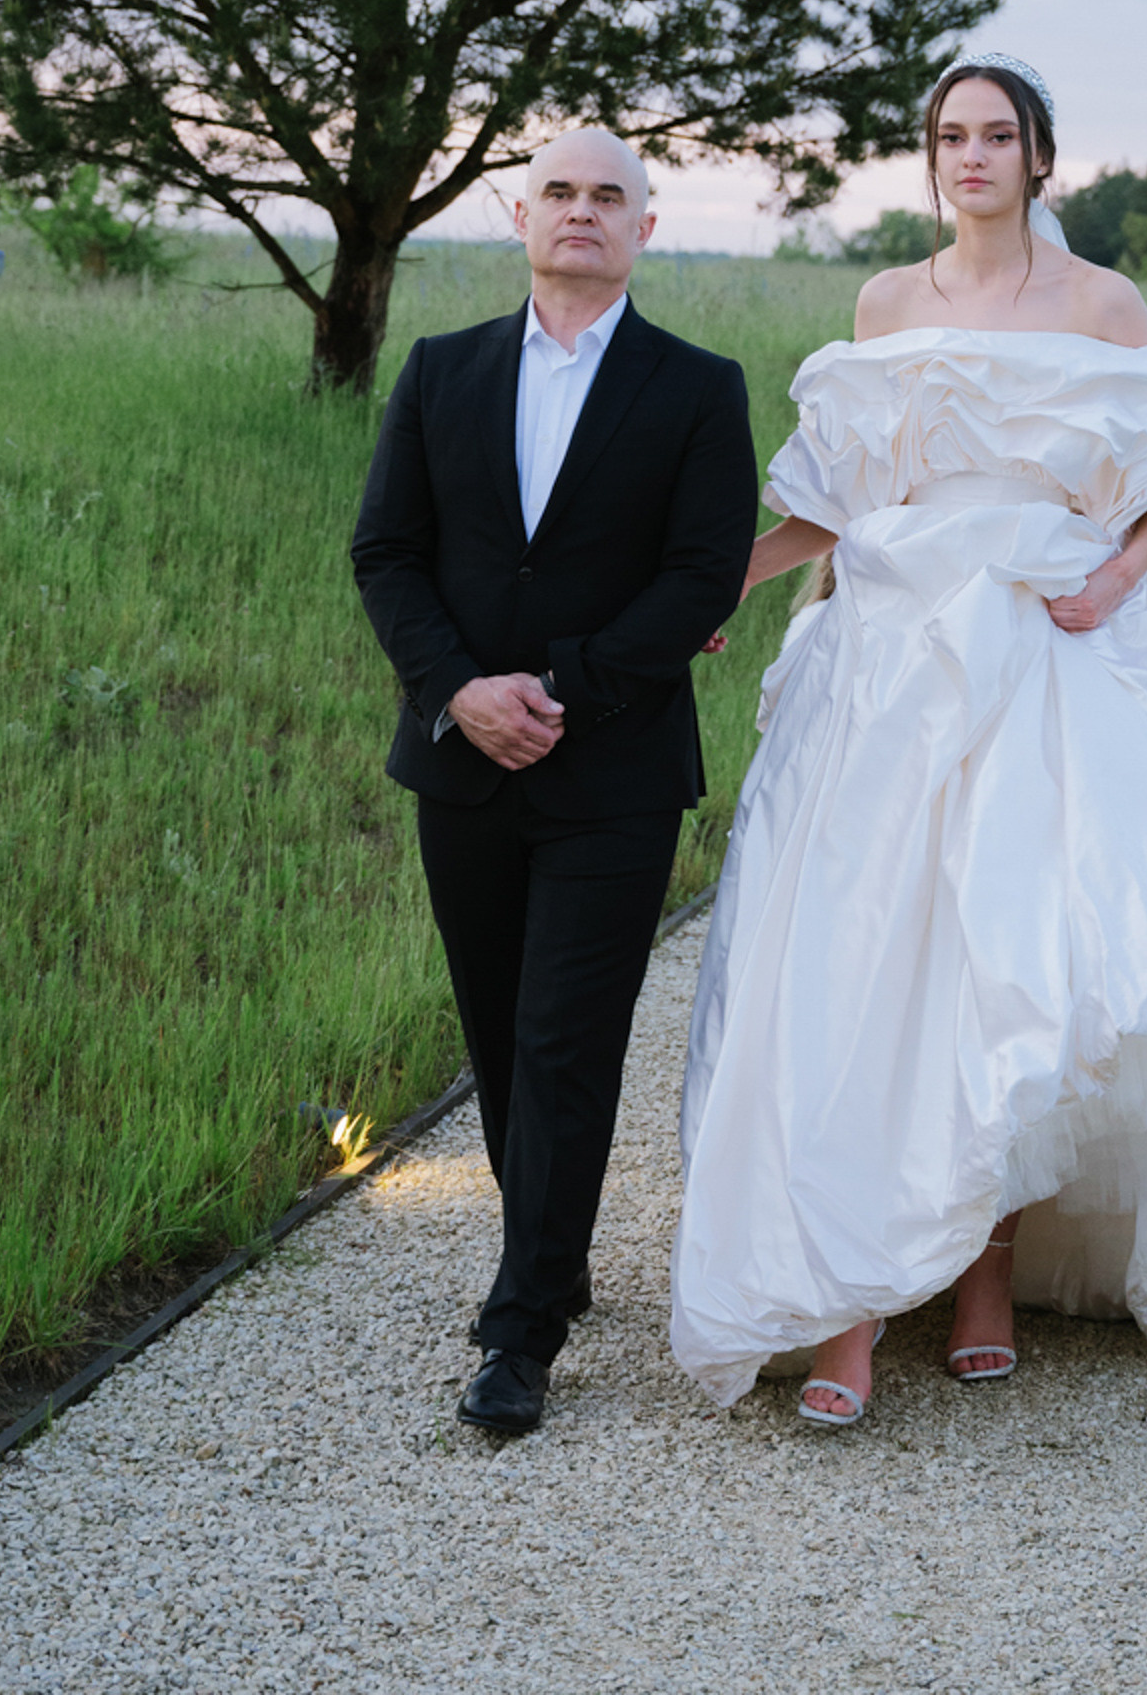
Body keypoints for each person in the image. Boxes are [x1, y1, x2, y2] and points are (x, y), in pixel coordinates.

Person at [670, 54, 1147, 1422]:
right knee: (864, 960)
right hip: (891, 652)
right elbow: (846, 498)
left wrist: (1113, 581)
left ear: (1041, 158)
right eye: (949, 136)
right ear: (931, 158)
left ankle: (984, 1267)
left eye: (997, 135)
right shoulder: (886, 301)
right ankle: (848, 1299)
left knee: (1010, 958)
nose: (971, 156)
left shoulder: (1099, 302)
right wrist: (718, 581)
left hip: (1043, 642)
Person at [352, 129, 755, 1435]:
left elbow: (701, 575)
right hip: (460, 764)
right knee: (498, 1043)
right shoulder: (440, 370)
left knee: (564, 1039)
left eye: (610, 197)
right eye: (561, 194)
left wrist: (562, 690)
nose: (583, 213)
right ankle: (555, 1255)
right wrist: (460, 691)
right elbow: (388, 554)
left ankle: (522, 1329)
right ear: (521, 216)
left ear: (646, 227)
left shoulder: (699, 389)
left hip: (616, 773)